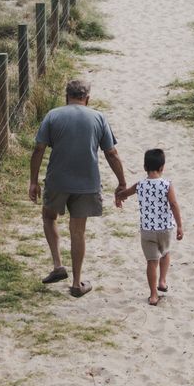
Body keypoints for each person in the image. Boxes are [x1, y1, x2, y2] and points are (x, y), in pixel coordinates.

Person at [29, 79, 127, 298]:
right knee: (78, 231)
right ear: (87, 98)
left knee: (49, 216)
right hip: (87, 183)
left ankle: (57, 265)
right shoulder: (99, 117)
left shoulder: (53, 115)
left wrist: (33, 181)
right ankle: (76, 283)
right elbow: (111, 153)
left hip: (57, 181)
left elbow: (38, 149)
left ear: (66, 96)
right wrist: (121, 181)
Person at [118, 148, 183, 306]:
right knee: (165, 254)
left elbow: (125, 193)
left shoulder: (140, 185)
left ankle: (153, 295)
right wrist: (180, 226)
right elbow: (173, 204)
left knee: (151, 262)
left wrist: (118, 197)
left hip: (147, 230)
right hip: (165, 229)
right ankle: (162, 281)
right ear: (162, 167)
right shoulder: (167, 185)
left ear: (145, 167)